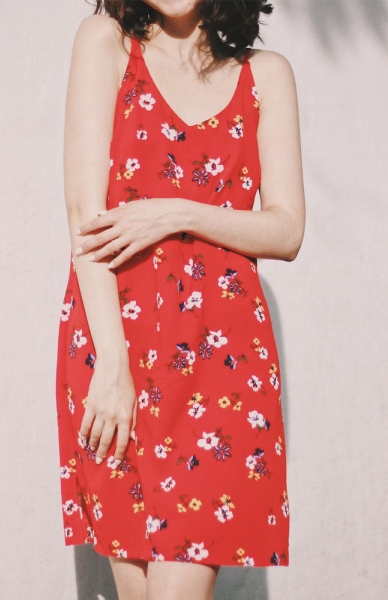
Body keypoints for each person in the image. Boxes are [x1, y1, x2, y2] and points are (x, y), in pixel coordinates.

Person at [55, 1, 305, 598]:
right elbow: (85, 216)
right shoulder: (106, 43)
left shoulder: (266, 74)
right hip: (119, 345)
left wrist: (178, 212)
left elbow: (287, 230)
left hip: (224, 363)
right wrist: (112, 367)